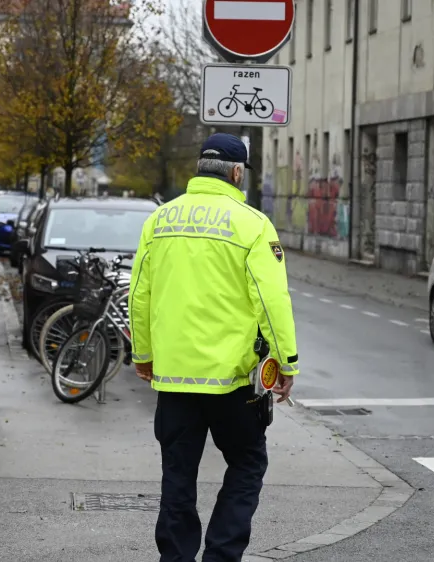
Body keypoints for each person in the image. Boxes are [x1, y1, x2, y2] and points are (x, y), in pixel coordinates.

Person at [127, 133, 300, 562]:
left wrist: (143, 355)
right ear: (237, 173)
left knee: (177, 475)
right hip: (232, 382)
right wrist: (286, 362)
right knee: (246, 463)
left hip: (174, 379)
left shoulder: (160, 220)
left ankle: (176, 557)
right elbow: (272, 300)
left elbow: (140, 294)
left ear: (200, 168)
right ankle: (221, 555)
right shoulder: (253, 224)